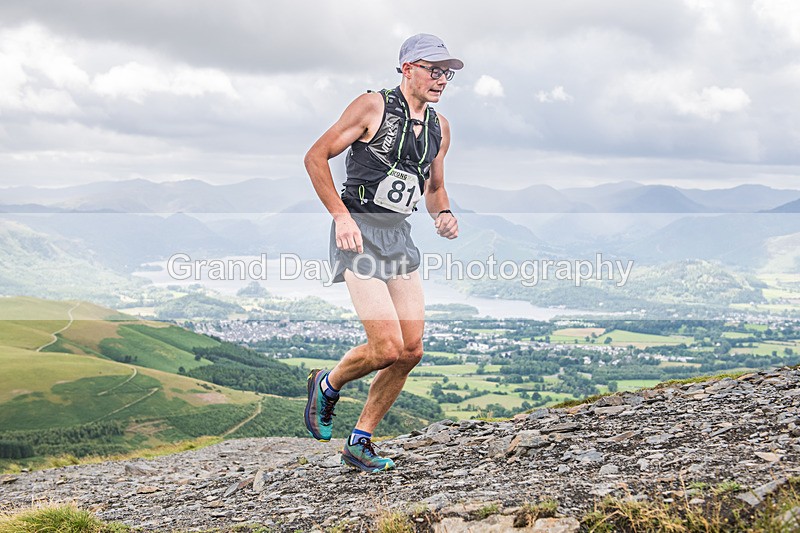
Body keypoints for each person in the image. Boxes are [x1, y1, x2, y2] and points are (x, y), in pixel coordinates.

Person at [303, 33, 462, 472]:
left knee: (411, 350)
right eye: (434, 69)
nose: (441, 79)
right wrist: (341, 216)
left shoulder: (440, 127)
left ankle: (360, 441)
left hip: (398, 235)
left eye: (446, 72)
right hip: (359, 232)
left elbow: (434, 187)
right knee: (387, 346)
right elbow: (315, 157)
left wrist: (443, 213)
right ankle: (328, 384)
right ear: (407, 68)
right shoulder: (372, 106)